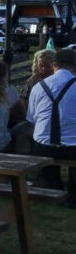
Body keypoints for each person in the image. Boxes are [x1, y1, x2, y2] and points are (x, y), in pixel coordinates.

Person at [27, 46, 76, 201]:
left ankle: (54, 185)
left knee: (41, 140)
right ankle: (72, 191)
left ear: (54, 65)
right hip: (73, 147)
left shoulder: (38, 87)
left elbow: (32, 119)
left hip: (43, 146)